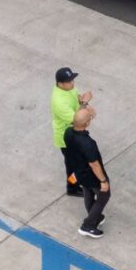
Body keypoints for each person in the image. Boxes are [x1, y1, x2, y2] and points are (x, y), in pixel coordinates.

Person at [63, 106, 110, 238]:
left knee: (87, 192)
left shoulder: (68, 133)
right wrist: (103, 181)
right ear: (87, 123)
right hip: (92, 175)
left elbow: (80, 121)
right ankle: (88, 225)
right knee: (104, 195)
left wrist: (88, 114)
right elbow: (94, 165)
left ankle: (95, 217)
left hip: (78, 172)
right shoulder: (88, 144)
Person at [51, 67, 91, 197]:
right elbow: (77, 120)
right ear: (60, 83)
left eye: (72, 80)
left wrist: (81, 99)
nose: (72, 83)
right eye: (69, 81)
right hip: (67, 138)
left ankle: (76, 182)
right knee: (73, 166)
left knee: (79, 162)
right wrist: (85, 103)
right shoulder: (59, 101)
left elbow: (76, 96)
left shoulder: (69, 88)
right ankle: (72, 187)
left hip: (75, 134)